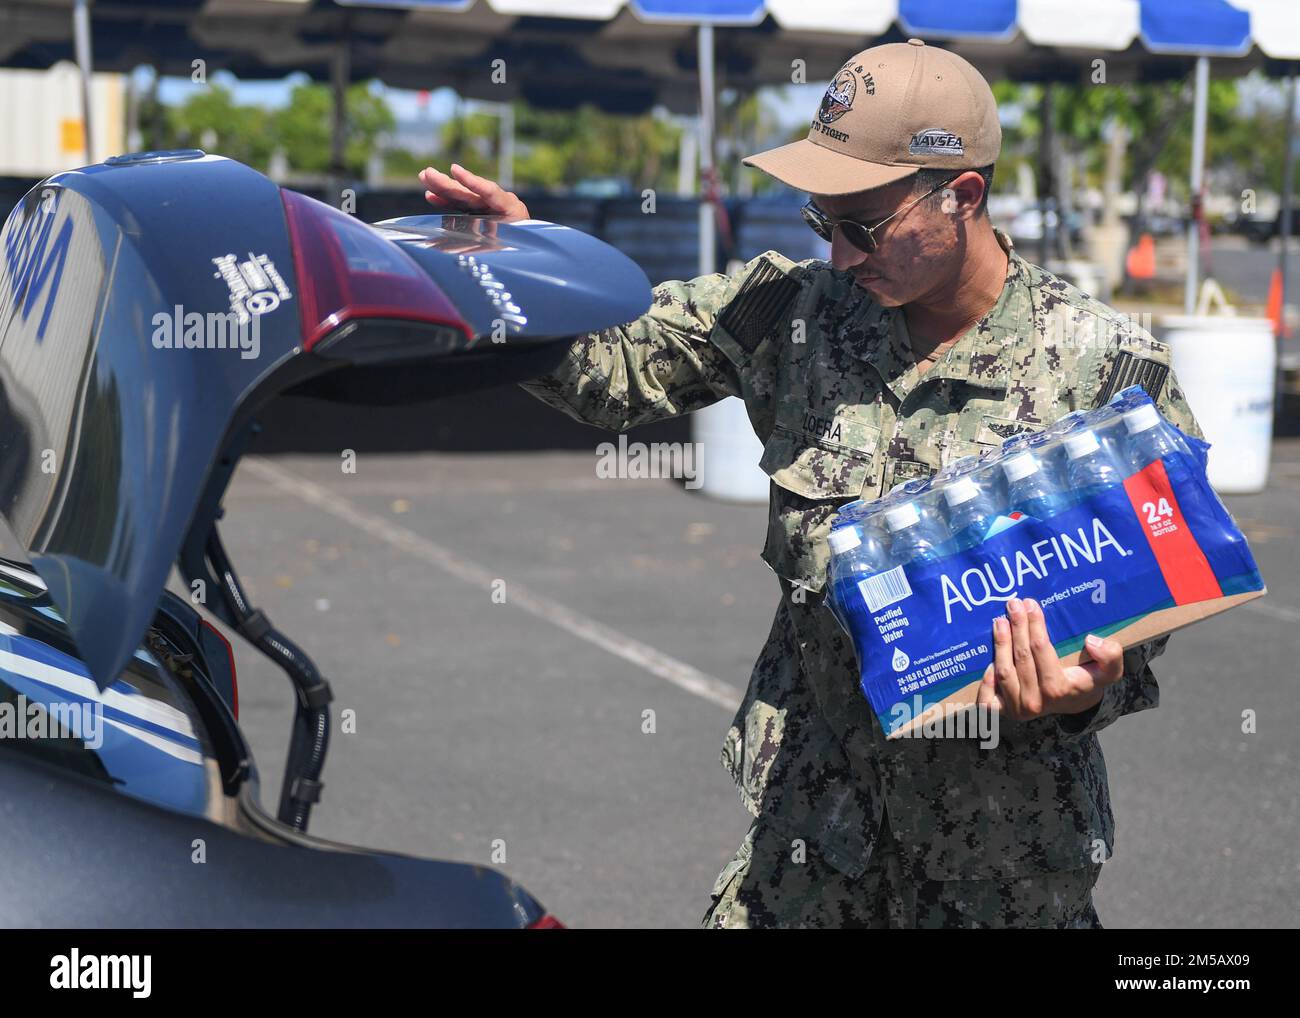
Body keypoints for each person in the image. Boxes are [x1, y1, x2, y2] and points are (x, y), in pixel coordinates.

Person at [418, 38, 1203, 929]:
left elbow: (1161, 593)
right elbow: (615, 373)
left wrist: (1089, 688)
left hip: (1004, 872)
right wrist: (523, 270)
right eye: (817, 219)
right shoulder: (793, 315)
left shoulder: (1106, 372)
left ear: (964, 196)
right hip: (811, 852)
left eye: (862, 227)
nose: (837, 256)